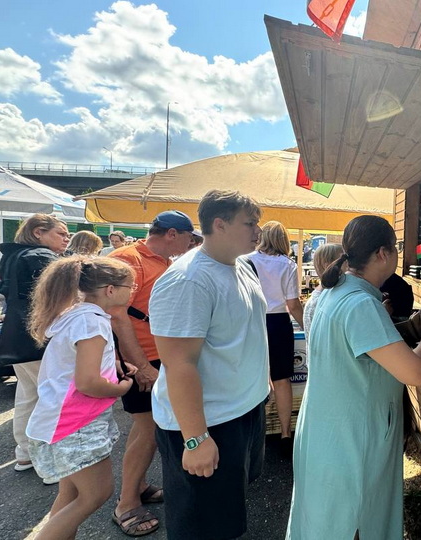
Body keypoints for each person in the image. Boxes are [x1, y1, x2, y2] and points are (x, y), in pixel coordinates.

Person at [287, 215, 421, 540]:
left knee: (324, 522)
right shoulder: (360, 304)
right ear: (383, 254)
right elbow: (414, 373)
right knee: (353, 524)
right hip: (350, 444)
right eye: (396, 249)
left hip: (328, 433)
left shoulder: (336, 291)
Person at [149, 190, 268, 540]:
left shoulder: (242, 265)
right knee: (201, 527)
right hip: (207, 423)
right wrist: (195, 439)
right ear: (220, 223)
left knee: (225, 517)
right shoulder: (188, 279)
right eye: (250, 223)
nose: (257, 230)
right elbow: (179, 364)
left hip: (242, 411)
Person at [25, 256, 137, 540]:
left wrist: (114, 369)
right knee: (96, 494)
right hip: (76, 423)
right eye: (129, 286)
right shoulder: (91, 322)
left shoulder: (76, 315)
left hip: (62, 421)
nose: (132, 291)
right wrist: (121, 389)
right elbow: (88, 382)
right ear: (110, 289)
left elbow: (80, 367)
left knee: (71, 494)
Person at [108, 210, 196, 536]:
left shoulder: (160, 262)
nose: (190, 244)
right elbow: (118, 317)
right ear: (172, 233)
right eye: (188, 237)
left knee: (150, 430)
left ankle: (139, 485)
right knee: (148, 430)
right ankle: (126, 503)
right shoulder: (127, 259)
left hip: (157, 356)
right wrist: (142, 366)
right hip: (141, 360)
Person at [0, 214, 70, 474]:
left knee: (28, 395)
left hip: (16, 336)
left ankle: (25, 453)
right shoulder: (40, 256)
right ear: (39, 232)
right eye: (61, 233)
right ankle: (46, 463)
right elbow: (65, 297)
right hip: (41, 336)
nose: (66, 238)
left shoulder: (12, 256)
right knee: (51, 398)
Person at [247, 221, 304, 451]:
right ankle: (285, 432)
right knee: (282, 380)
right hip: (279, 322)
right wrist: (307, 326)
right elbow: (293, 303)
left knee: (252, 378)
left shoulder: (246, 260)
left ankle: (253, 435)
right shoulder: (287, 264)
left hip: (253, 321)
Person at [301, 243, 344, 335]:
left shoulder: (320, 298)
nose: (349, 266)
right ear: (328, 265)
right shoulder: (319, 302)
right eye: (343, 261)